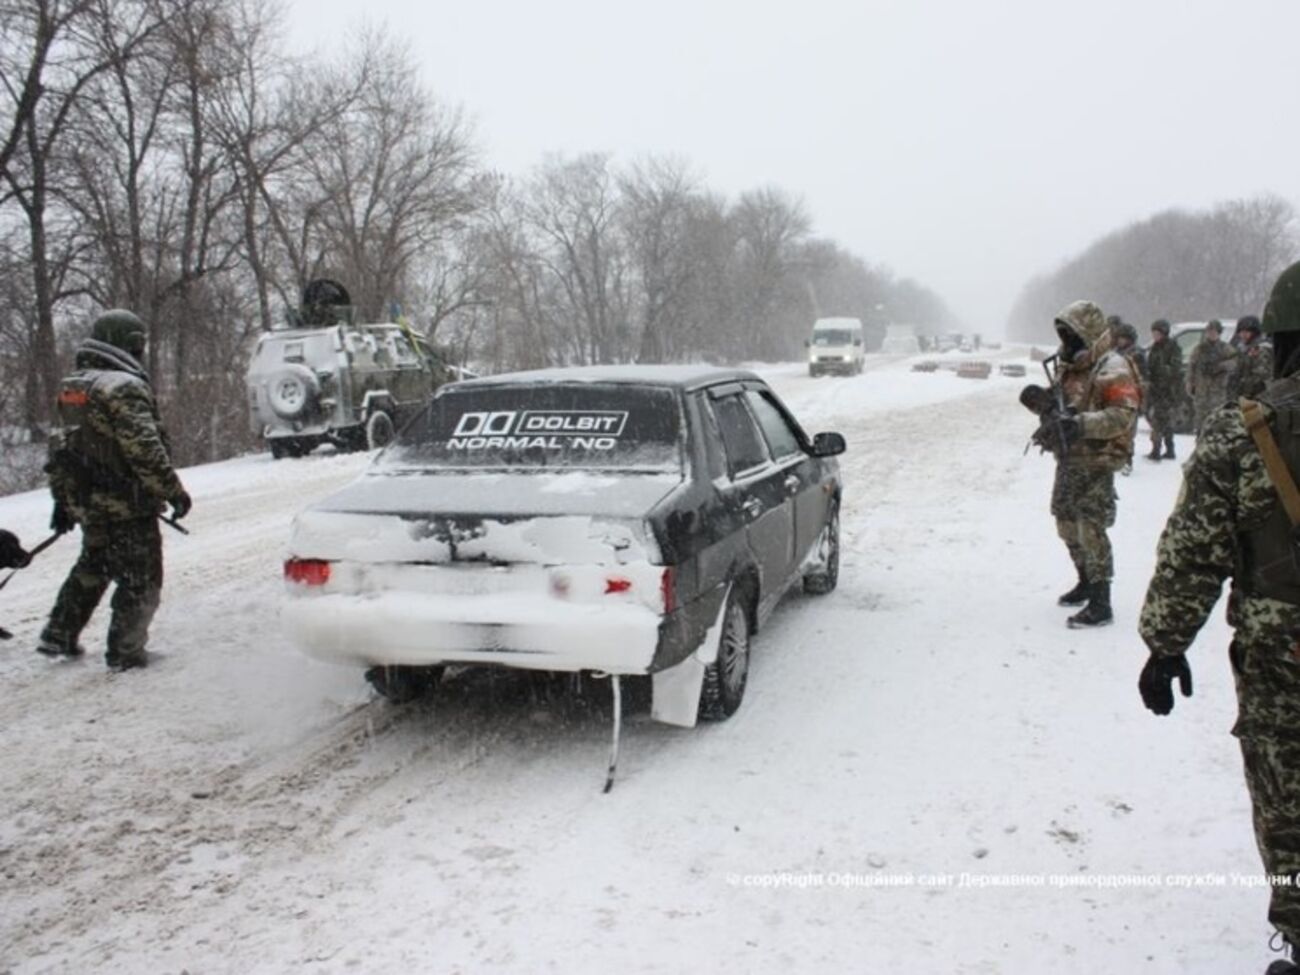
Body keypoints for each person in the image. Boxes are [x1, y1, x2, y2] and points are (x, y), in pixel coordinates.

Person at [1137, 260, 1300, 975]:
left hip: (1286, 660)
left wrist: (1165, 645)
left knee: (1290, 804)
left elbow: (1195, 552)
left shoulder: (1245, 433)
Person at [38, 309, 191, 670]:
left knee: (93, 565)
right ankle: (126, 650)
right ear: (131, 345)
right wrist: (172, 490)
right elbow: (144, 449)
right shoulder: (123, 387)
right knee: (142, 578)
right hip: (127, 502)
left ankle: (59, 632)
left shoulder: (75, 385)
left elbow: (60, 448)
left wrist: (62, 499)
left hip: (88, 500)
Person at [1048, 300, 1142, 628]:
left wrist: (1082, 424)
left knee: (1091, 528)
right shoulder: (1069, 367)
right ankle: (1085, 580)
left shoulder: (1113, 367)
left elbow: (1122, 415)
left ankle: (1102, 601)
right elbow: (1063, 402)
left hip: (1098, 459)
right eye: (1064, 335)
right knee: (1065, 522)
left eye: (1072, 334)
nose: (1067, 341)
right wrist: (1047, 411)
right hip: (1069, 457)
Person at [1144, 319, 1184, 461]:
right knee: (1162, 420)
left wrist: (1161, 369)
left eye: (1157, 333)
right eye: (1154, 333)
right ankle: (1167, 448)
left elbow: (1175, 368)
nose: (1155, 336)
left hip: (1168, 390)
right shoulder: (1155, 347)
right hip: (1156, 388)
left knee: (1160, 420)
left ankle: (1159, 449)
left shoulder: (1173, 347)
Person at [1187, 319, 1236, 433]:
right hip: (1202, 390)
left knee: (1217, 420)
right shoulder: (1199, 349)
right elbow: (1192, 366)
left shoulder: (1225, 348)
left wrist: (1220, 366)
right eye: (1209, 332)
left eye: (1214, 332)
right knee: (1200, 420)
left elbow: (1235, 362)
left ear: (1219, 333)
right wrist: (1190, 382)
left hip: (1218, 390)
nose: (1211, 334)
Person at [1231, 314, 1276, 401]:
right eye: (1241, 332)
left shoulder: (1261, 348)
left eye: (1246, 332)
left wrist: (1244, 385)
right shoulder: (1243, 348)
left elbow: (1261, 375)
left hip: (1259, 396)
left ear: (1254, 332)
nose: (1243, 335)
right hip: (1246, 395)